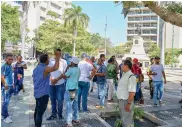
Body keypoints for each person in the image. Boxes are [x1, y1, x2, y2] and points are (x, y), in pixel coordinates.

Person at [32, 52, 60, 127]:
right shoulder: (45, 68)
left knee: (37, 111)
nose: (49, 61)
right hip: (43, 94)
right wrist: (57, 58)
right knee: (40, 113)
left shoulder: (36, 68)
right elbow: (55, 68)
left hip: (37, 93)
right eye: (48, 59)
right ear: (46, 61)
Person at [46, 49, 67, 120]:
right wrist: (51, 79)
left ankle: (60, 114)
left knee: (60, 100)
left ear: (61, 54)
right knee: (52, 100)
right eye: (56, 53)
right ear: (54, 53)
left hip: (60, 84)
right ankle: (53, 114)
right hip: (51, 84)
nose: (58, 55)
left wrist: (57, 79)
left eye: (59, 54)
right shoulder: (50, 61)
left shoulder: (64, 62)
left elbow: (64, 73)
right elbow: (48, 71)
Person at [116, 60, 136, 127]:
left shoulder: (131, 76)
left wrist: (129, 103)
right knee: (124, 119)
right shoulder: (124, 74)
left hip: (126, 101)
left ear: (126, 66)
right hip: (122, 100)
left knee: (127, 121)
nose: (121, 66)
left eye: (122, 65)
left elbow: (132, 92)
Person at [63, 57, 81, 127]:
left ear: (73, 63)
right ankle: (76, 118)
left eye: (71, 62)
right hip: (75, 88)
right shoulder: (78, 69)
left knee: (69, 106)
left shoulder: (70, 70)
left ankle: (69, 123)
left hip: (70, 89)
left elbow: (64, 75)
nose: (70, 63)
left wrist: (67, 67)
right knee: (75, 104)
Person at [1, 54, 14, 123]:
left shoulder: (10, 66)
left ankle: (4, 114)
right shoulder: (3, 66)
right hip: (6, 87)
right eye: (9, 59)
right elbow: (1, 77)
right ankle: (5, 117)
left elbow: (10, 76)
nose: (10, 60)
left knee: (7, 102)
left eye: (11, 59)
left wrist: (13, 84)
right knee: (5, 102)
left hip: (10, 86)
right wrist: (5, 84)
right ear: (6, 59)